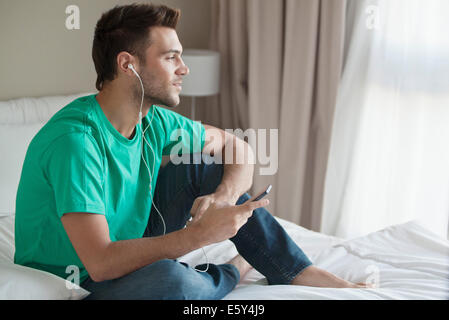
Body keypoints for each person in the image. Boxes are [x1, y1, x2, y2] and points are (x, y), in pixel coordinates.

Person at [14, 3, 371, 300]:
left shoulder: (155, 120)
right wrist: (199, 236)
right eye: (171, 58)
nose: (184, 69)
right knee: (173, 282)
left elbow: (237, 147)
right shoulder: (76, 141)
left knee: (201, 166)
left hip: (126, 242)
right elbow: (102, 263)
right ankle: (231, 270)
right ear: (128, 65)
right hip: (80, 275)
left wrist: (223, 196)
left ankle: (296, 271)